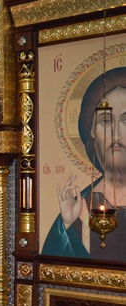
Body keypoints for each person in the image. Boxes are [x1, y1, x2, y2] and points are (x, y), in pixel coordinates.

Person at [42, 67, 126, 260]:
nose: (116, 134)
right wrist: (67, 226)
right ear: (92, 131)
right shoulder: (80, 208)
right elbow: (53, 266)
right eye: (105, 121)